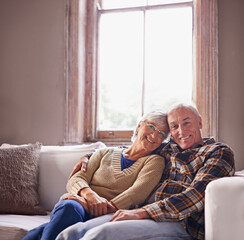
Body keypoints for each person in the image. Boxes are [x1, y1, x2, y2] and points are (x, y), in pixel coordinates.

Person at [56, 103, 235, 240]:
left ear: (200, 122)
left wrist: (142, 212)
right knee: (73, 233)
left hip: (180, 223)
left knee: (99, 235)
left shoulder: (218, 152)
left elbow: (195, 196)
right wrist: (90, 155)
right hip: (144, 214)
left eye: (186, 123)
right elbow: (133, 148)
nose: (181, 131)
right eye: (174, 127)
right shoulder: (169, 148)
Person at [23, 110, 170, 240]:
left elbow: (136, 194)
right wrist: (89, 196)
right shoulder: (104, 152)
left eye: (161, 133)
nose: (154, 135)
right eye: (151, 127)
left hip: (110, 212)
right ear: (139, 126)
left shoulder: (155, 161)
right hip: (78, 205)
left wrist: (94, 207)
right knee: (69, 207)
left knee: (54, 225)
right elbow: (77, 178)